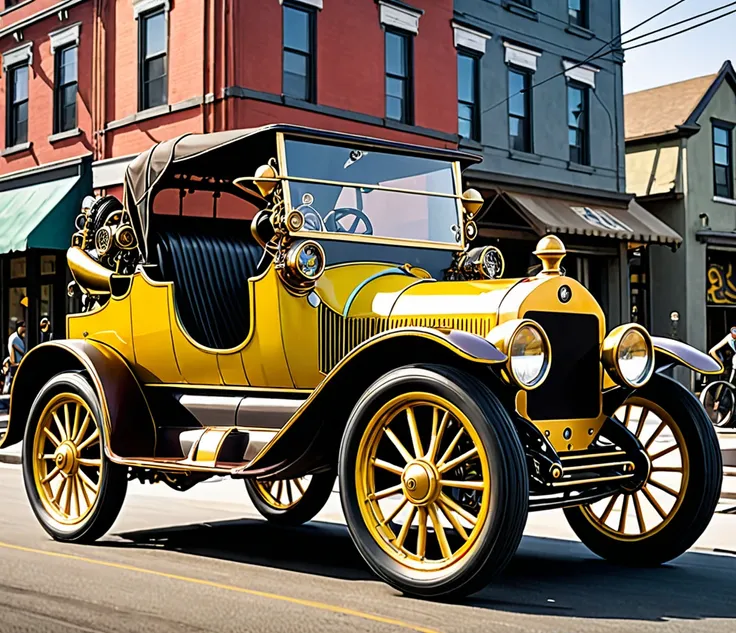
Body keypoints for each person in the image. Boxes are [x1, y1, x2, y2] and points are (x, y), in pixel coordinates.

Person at [7, 320, 25, 391]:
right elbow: (23, 352)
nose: (25, 329)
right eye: (23, 326)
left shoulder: (16, 337)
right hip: (17, 366)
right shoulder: (15, 338)